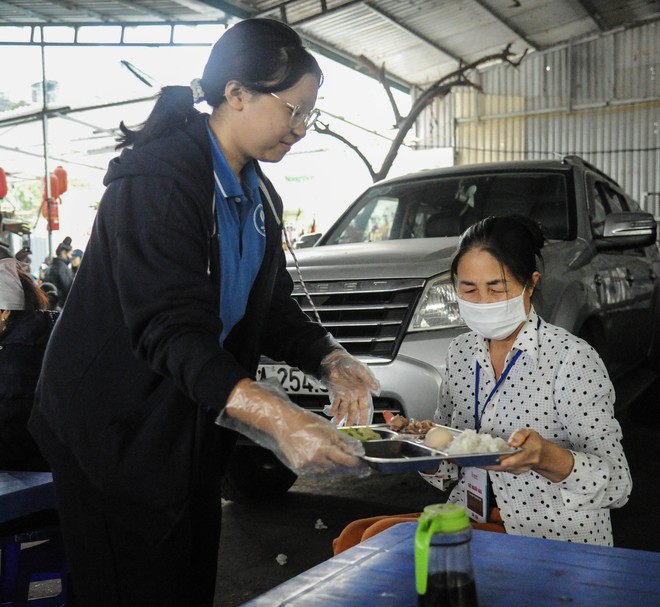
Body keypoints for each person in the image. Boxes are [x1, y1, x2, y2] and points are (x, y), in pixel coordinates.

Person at [29, 18, 379, 607]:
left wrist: (328, 356)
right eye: (293, 110)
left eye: (308, 116)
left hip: (184, 418)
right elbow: (169, 329)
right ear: (237, 93)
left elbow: (268, 306)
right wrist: (278, 417)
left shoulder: (258, 194)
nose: (299, 129)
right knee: (133, 587)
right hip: (113, 426)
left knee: (186, 579)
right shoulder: (160, 182)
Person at [333, 214, 631, 552]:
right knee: (356, 537)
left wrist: (545, 457)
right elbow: (447, 472)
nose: (482, 302)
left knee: (375, 548)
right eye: (469, 289)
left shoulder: (570, 359)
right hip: (471, 516)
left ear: (530, 284)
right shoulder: (461, 352)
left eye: (497, 288)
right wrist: (419, 443)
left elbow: (617, 485)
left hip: (545, 532)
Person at [0, 258, 57, 471]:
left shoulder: (19, 350)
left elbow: (12, 432)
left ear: (5, 310)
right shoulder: (41, 333)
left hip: (32, 473)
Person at [43, 236, 73, 306]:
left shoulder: (51, 266)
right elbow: (69, 289)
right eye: (70, 253)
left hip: (53, 304)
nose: (71, 256)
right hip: (61, 305)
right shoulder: (63, 268)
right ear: (63, 253)